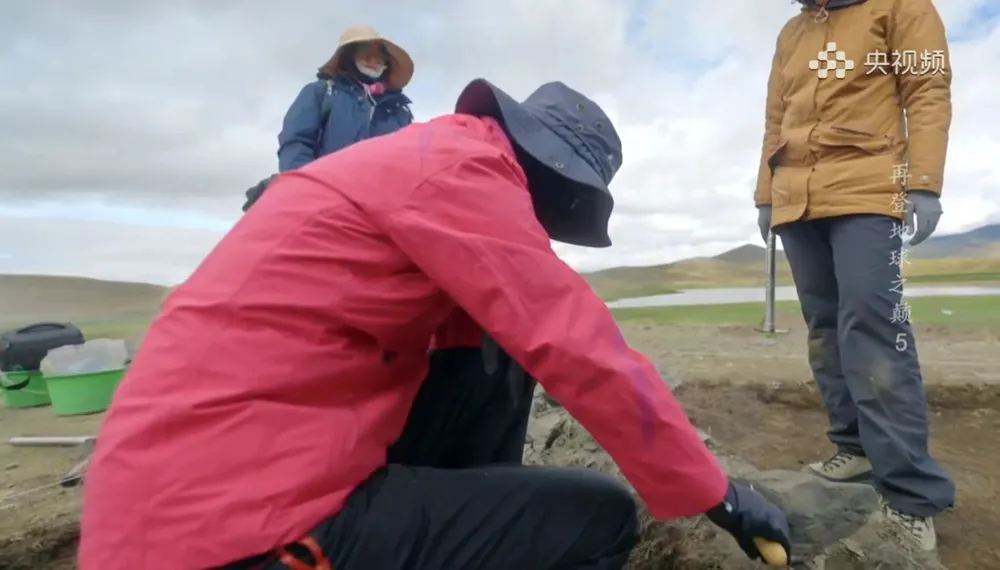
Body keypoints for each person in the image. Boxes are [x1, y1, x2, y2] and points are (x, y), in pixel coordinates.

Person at [80, 79, 791, 570]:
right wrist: (717, 493)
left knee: (492, 343)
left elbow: (488, 350)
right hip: (238, 537)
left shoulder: (418, 161)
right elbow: (579, 346)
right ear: (549, 176)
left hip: (173, 507)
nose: (545, 231)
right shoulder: (465, 176)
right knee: (598, 518)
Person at [753, 0, 953, 551]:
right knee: (824, 325)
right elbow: (776, 117)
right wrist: (765, 194)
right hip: (797, 197)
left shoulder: (902, 8)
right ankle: (855, 448)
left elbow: (927, 89)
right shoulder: (792, 30)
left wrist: (925, 180)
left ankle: (911, 495)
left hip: (870, 189)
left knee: (873, 323)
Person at [242, 25, 414, 210]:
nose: (373, 61)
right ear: (349, 57)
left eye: (380, 57)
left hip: (377, 207)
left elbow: (406, 164)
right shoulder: (320, 92)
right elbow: (296, 142)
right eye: (365, 55)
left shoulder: (399, 110)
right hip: (323, 197)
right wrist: (305, 187)